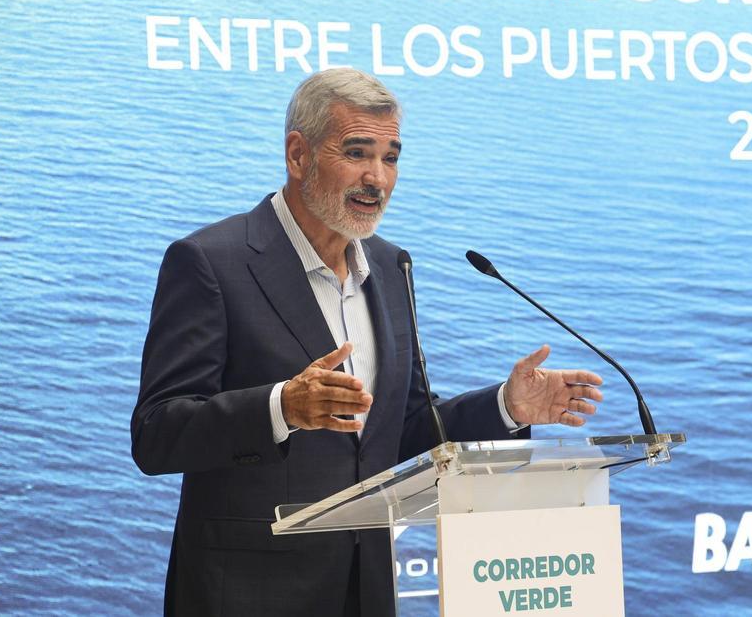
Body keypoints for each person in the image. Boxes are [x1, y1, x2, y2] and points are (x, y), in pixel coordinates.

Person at [131, 68, 605, 616]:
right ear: (298, 154)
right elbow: (157, 433)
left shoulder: (390, 265)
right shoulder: (212, 262)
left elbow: (401, 431)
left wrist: (505, 406)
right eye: (357, 152)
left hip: (365, 591)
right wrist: (281, 407)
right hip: (244, 592)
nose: (377, 178)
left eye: (391, 157)